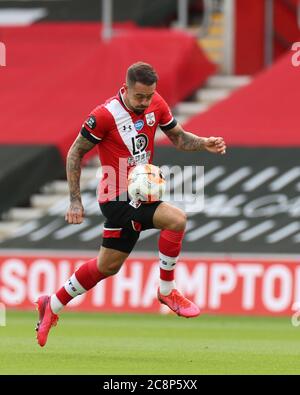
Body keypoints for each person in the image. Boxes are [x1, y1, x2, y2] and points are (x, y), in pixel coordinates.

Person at [35, 61, 226, 347]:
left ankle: (53, 303)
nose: (145, 102)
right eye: (139, 97)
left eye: (149, 96)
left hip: (140, 193)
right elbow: (75, 153)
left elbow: (179, 138)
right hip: (116, 196)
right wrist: (75, 201)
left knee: (106, 266)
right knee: (176, 219)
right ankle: (167, 290)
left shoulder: (156, 103)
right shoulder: (104, 115)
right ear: (125, 89)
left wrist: (204, 143)